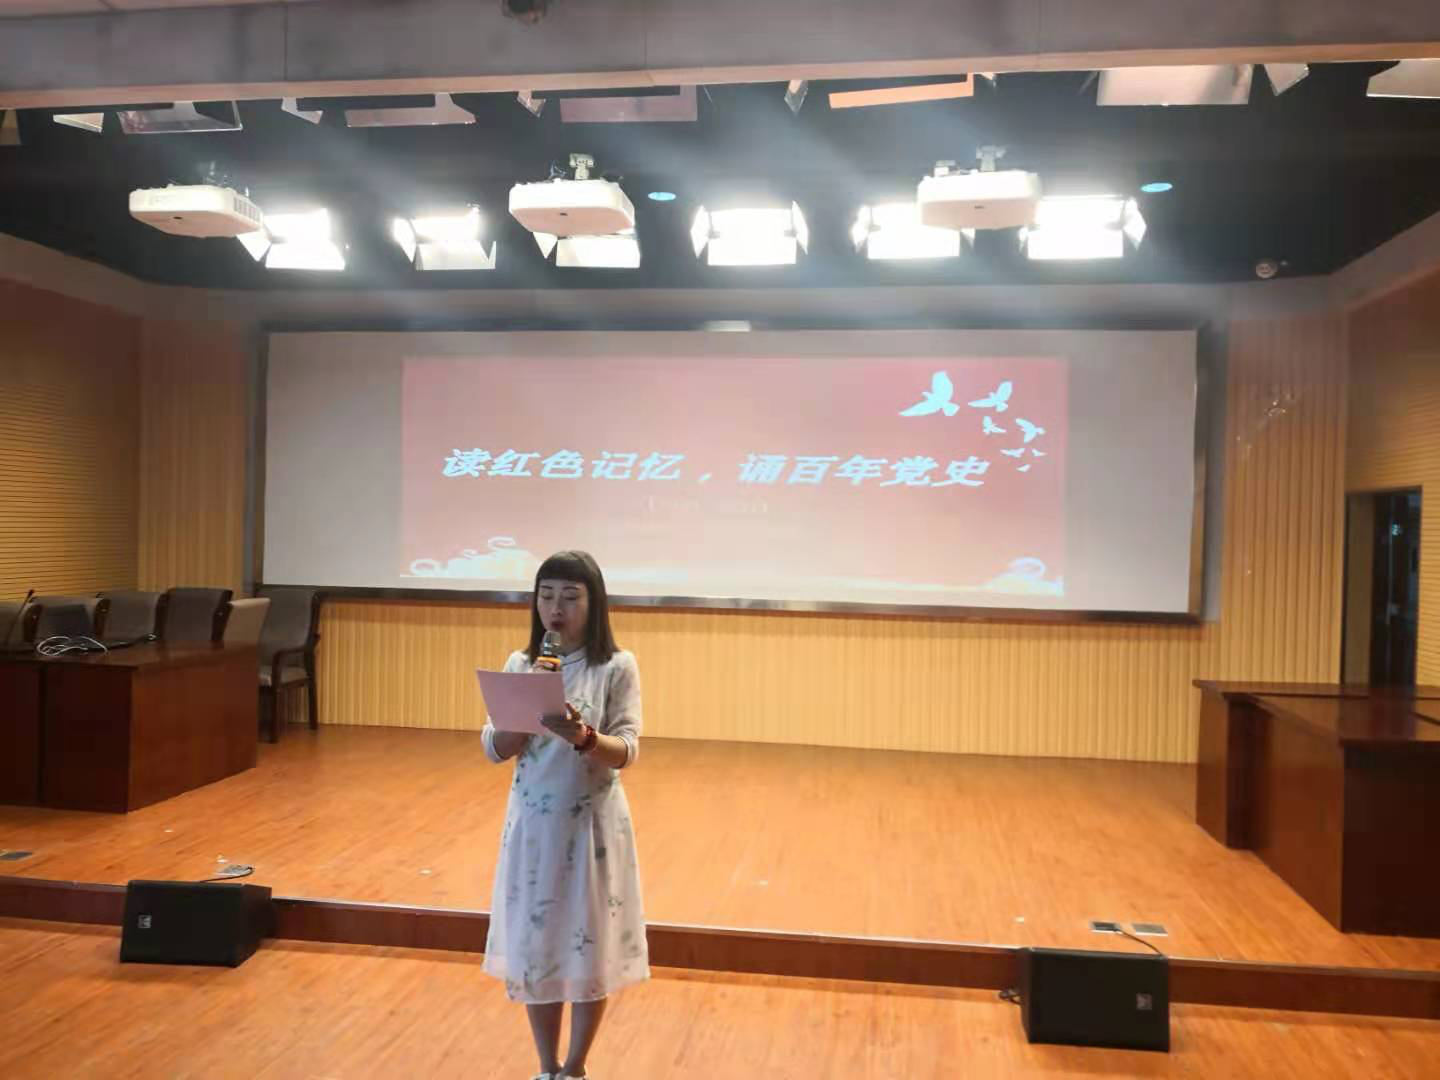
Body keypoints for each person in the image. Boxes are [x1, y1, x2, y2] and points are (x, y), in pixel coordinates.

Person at [481, 550, 649, 1080]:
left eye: (571, 597)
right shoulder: (520, 665)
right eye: (547, 595)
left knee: (587, 945)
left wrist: (583, 736)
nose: (556, 607)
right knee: (538, 945)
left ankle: (575, 1068)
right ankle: (545, 1066)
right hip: (534, 827)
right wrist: (524, 714)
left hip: (591, 827)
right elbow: (494, 748)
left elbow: (627, 750)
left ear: (594, 604)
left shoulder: (616, 666)